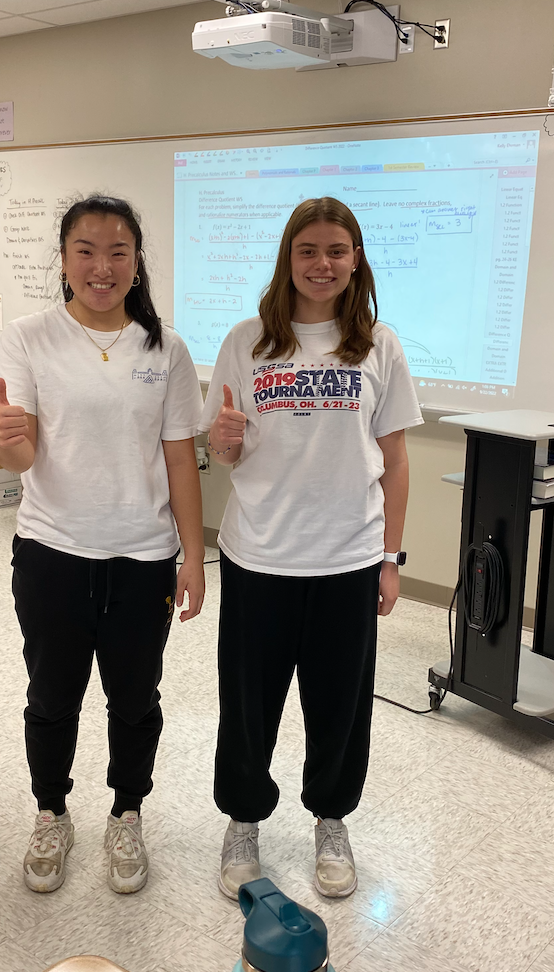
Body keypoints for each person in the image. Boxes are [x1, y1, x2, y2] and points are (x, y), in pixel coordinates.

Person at [0, 194, 205, 895]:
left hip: (143, 559)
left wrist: (194, 557)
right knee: (51, 696)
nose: (101, 267)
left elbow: (179, 460)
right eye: (86, 250)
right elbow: (20, 454)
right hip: (53, 553)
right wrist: (0, 438)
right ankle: (51, 812)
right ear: (65, 259)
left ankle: (127, 813)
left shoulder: (165, 349)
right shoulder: (29, 337)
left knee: (135, 699)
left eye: (117, 252)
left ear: (137, 262)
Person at [199, 196, 423, 901]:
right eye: (308, 250)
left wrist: (390, 558)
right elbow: (225, 449)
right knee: (248, 705)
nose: (321, 264)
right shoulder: (247, 340)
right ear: (287, 259)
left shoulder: (379, 344)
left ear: (356, 260)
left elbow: (396, 460)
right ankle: (243, 822)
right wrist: (223, 441)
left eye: (336, 250)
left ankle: (331, 820)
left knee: (340, 708)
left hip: (347, 559)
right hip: (259, 556)